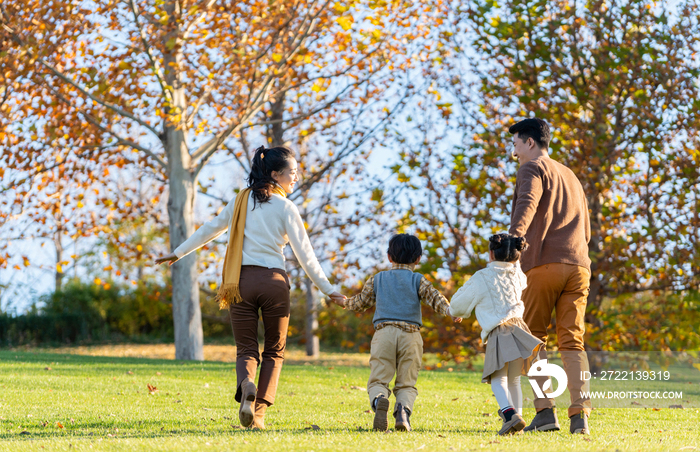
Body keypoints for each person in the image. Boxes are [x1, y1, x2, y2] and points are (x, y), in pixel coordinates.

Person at [156, 146, 346, 430]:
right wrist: (328, 289)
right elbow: (306, 255)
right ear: (274, 175)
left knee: (246, 349)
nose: (296, 178)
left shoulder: (240, 201)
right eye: (291, 173)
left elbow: (211, 228)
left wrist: (179, 252)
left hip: (239, 283)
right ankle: (257, 415)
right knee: (274, 351)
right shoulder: (286, 208)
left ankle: (247, 384)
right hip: (274, 283)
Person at [508, 118, 592, 434]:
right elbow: (586, 227)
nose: (514, 152)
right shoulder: (570, 176)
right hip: (579, 266)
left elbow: (527, 201)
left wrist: (514, 238)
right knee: (573, 341)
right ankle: (579, 416)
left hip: (544, 263)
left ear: (530, 142)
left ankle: (544, 412)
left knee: (531, 339)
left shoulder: (533, 168)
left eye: (515, 144)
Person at [341, 233, 460, 432]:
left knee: (379, 379)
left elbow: (361, 303)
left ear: (389, 257)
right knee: (407, 382)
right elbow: (435, 297)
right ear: (418, 259)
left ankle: (380, 400)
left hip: (384, 334)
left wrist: (344, 302)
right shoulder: (418, 280)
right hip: (411, 336)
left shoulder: (377, 279)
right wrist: (450, 311)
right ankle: (403, 412)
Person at [450, 234, 543, 436]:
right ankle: (518, 423)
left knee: (497, 380)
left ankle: (510, 416)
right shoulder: (519, 276)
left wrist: (456, 312)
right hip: (520, 329)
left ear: (491, 253)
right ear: (517, 256)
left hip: (499, 331)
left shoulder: (482, 277)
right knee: (514, 380)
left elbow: (458, 305)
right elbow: (513, 273)